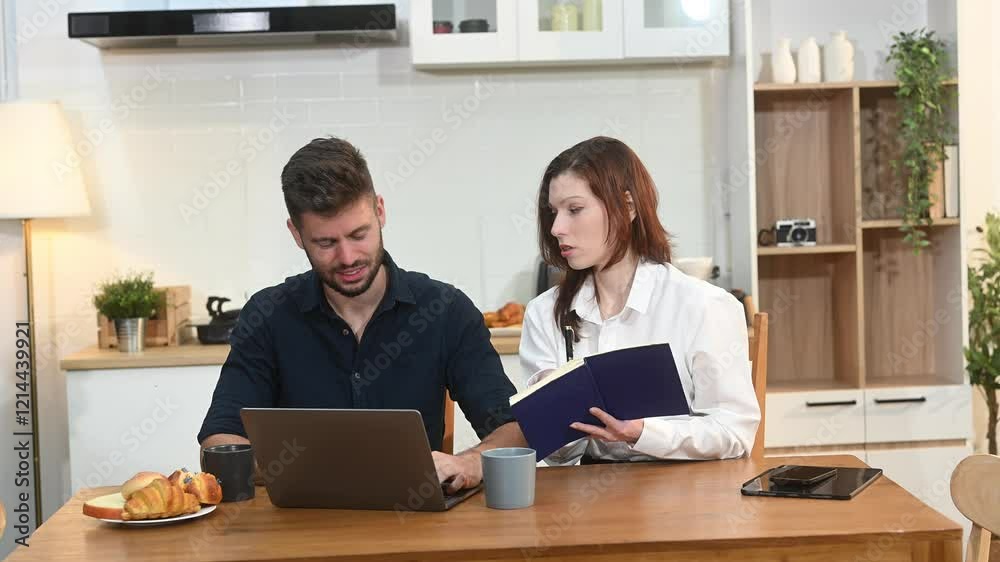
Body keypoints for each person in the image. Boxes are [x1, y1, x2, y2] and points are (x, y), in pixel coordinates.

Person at [198, 136, 525, 492]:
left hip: (414, 525)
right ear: (296, 234)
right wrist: (321, 472)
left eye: (359, 234)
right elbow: (219, 445)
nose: (348, 257)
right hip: (297, 533)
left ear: (380, 211)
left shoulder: (445, 310)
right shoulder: (268, 315)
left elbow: (515, 430)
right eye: (326, 243)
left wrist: (469, 462)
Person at [519, 136, 760, 465]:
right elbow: (558, 459)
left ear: (628, 207)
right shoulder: (543, 313)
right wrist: (552, 416)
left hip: (686, 501)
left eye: (574, 209)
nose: (557, 228)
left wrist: (643, 433)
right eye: (553, 213)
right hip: (588, 503)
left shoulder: (704, 306)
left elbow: (734, 434)